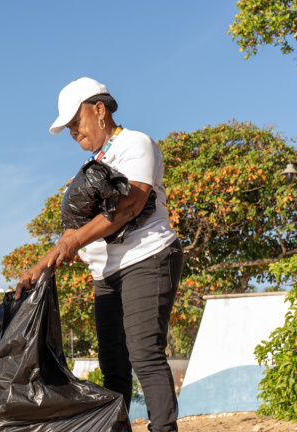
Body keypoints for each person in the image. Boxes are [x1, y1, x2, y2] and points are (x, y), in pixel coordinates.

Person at [15, 77, 183, 432]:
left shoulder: (135, 143)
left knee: (144, 354)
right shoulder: (95, 164)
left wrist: (71, 244)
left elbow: (129, 206)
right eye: (70, 128)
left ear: (100, 110)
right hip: (106, 272)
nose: (74, 132)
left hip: (148, 257)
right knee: (113, 363)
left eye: (76, 122)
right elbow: (73, 231)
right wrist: (39, 266)